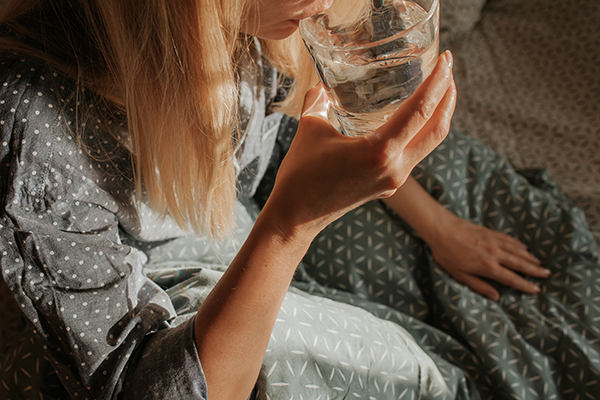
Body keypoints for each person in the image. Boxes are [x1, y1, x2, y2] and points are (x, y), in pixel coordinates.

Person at [2, 0, 600, 400]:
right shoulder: (37, 123)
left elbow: (284, 127)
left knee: (480, 218)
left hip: (241, 213)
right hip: (159, 296)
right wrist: (292, 225)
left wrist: (439, 227)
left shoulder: (262, 26)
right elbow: (151, 385)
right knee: (365, 364)